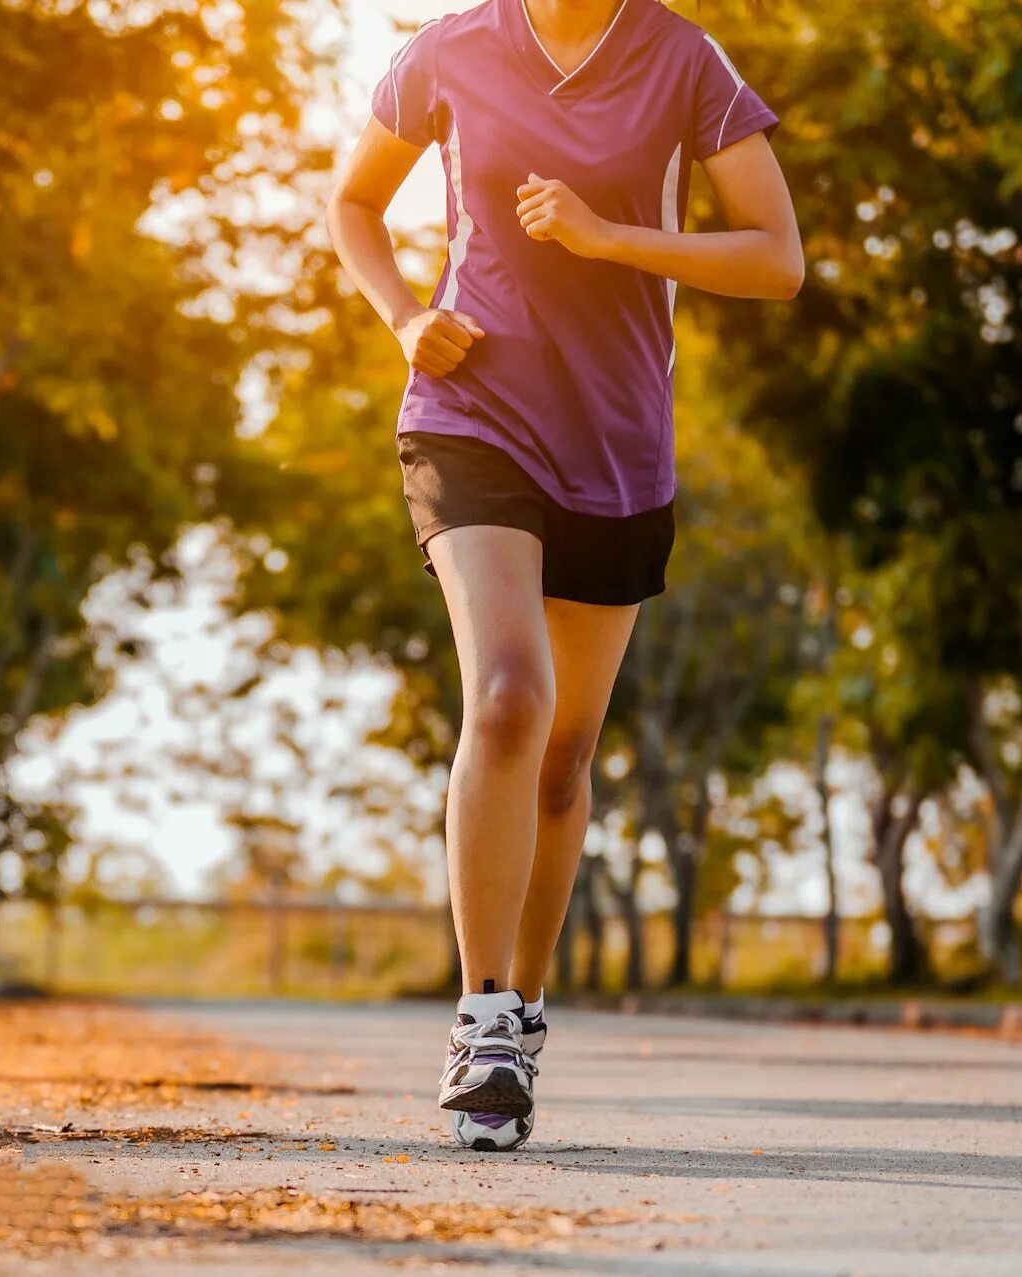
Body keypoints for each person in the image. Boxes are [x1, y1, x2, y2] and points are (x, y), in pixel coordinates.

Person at [326, 0, 801, 1151]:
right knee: (506, 694)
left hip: (618, 443)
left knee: (565, 756)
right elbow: (352, 204)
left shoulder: (684, 59)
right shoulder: (448, 48)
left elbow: (776, 261)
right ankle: (482, 1017)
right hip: (471, 412)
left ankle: (524, 1012)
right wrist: (403, 315)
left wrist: (611, 238)